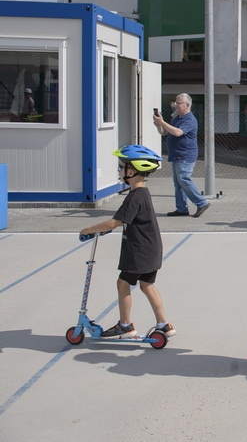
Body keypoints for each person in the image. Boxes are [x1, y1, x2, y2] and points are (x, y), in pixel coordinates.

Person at [79, 145, 175, 339]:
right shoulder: (143, 193)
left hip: (139, 251)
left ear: (132, 171)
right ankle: (164, 325)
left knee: (123, 283)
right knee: (147, 285)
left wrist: (88, 229)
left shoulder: (134, 197)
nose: (119, 170)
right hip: (151, 248)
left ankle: (125, 325)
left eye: (122, 167)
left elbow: (115, 222)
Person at [153, 93, 210, 218]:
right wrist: (159, 125)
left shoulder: (189, 119)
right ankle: (181, 208)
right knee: (178, 183)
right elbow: (165, 133)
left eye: (179, 103)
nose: (176, 105)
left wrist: (162, 122)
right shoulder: (177, 118)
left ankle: (201, 202)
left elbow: (178, 133)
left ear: (187, 105)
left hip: (185, 155)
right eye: (176, 102)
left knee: (184, 179)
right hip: (177, 154)